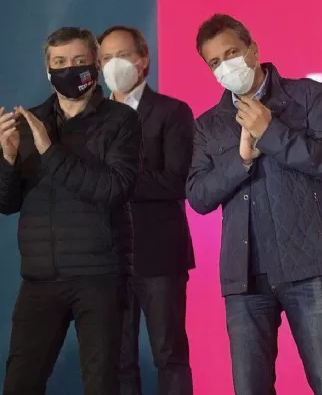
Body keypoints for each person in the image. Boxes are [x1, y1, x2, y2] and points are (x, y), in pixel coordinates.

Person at [186, 13, 322, 395]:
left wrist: (271, 132)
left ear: (253, 49)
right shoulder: (209, 125)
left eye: (232, 53)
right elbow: (198, 196)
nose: (226, 66)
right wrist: (241, 160)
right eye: (215, 62)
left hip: (310, 266)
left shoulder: (308, 96)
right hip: (245, 278)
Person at [0, 27, 142, 395]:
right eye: (60, 63)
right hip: (40, 277)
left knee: (101, 383)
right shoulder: (30, 122)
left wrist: (50, 151)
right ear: (48, 71)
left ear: (95, 65)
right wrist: (8, 159)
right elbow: (6, 203)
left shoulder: (121, 120)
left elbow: (114, 189)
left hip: (100, 275)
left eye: (79, 61)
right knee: (20, 382)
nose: (69, 69)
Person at [98, 25, 195, 395]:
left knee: (169, 355)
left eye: (123, 55)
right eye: (106, 58)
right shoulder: (91, 117)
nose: (114, 64)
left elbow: (177, 181)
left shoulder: (172, 112)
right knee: (119, 358)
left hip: (159, 255)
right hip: (106, 257)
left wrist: (114, 180)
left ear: (143, 59)